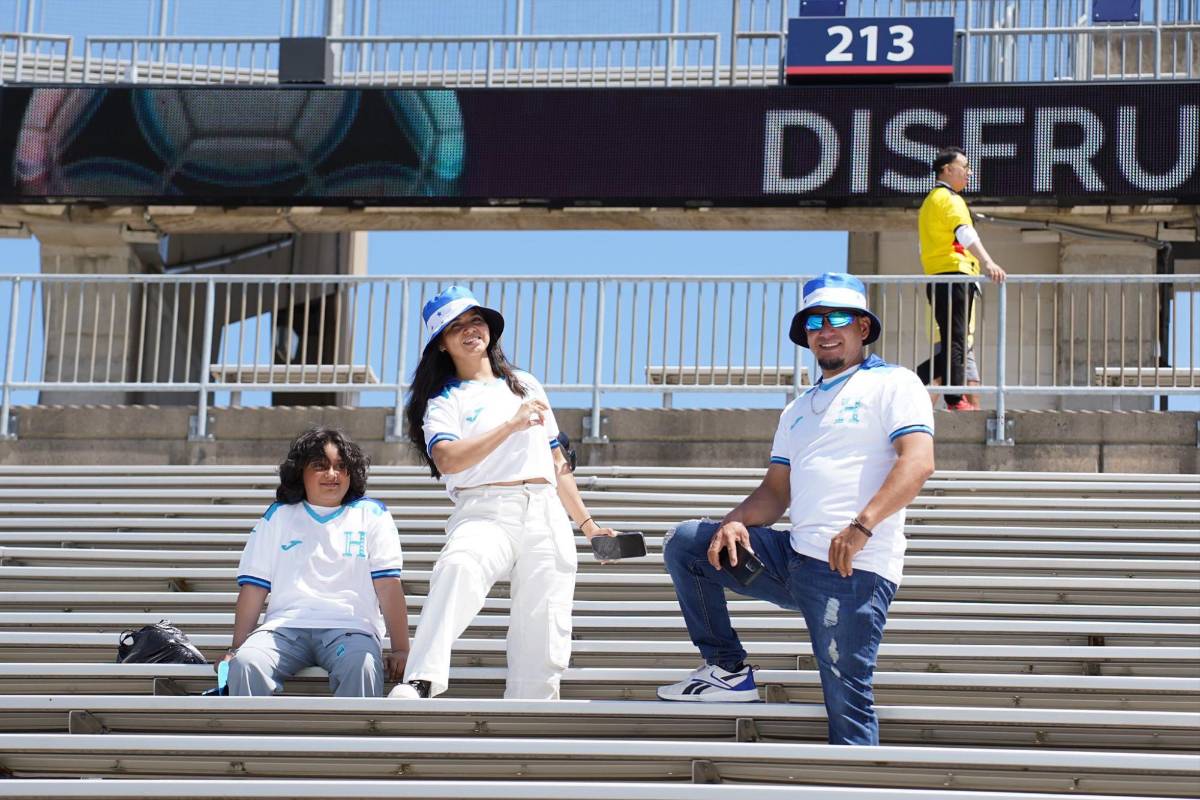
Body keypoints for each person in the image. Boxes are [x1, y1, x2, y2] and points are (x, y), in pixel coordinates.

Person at [656, 272, 935, 747]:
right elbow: (775, 491)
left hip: (853, 569)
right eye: (815, 321)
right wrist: (733, 523)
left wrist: (861, 526)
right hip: (792, 561)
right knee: (688, 543)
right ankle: (727, 670)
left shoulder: (895, 382)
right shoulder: (798, 409)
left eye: (839, 318)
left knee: (847, 704)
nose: (826, 330)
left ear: (862, 328)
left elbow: (919, 462)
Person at [390, 285, 615, 701]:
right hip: (485, 507)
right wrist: (510, 425)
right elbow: (447, 459)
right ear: (441, 343)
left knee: (546, 624)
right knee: (458, 568)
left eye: (475, 320)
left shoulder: (526, 384)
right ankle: (421, 680)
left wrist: (588, 525)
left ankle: (533, 718)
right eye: (455, 326)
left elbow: (556, 463)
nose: (469, 330)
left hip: (544, 510)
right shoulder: (443, 400)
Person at [224, 427, 410, 697]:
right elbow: (254, 588)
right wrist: (236, 648)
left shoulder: (372, 514)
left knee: (363, 666)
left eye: (340, 466)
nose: (332, 474)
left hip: (351, 629)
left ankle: (351, 740)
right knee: (246, 663)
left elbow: (389, 586)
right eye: (320, 466)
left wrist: (401, 649)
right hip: (284, 629)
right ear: (301, 471)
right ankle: (256, 740)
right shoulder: (279, 515)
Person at [916, 146, 1006, 411]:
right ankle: (953, 398)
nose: (969, 172)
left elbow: (922, 247)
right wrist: (988, 263)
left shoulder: (929, 203)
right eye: (964, 166)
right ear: (946, 169)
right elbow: (965, 233)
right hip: (954, 274)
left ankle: (922, 384)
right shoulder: (950, 199)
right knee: (956, 341)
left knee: (954, 342)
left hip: (939, 276)